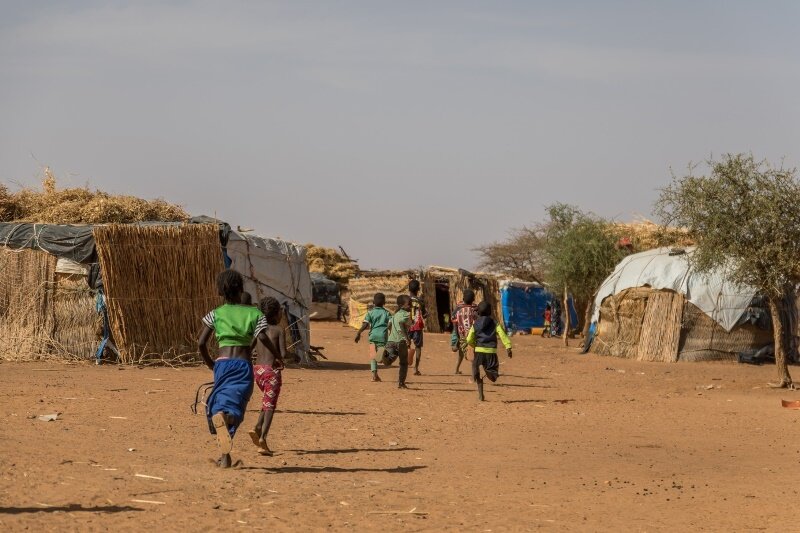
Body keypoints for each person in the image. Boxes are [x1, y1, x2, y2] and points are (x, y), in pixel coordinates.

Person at [198, 270, 275, 468]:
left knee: (221, 403)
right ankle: (225, 421)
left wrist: (211, 365)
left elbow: (200, 343)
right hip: (242, 365)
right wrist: (279, 356)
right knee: (236, 408)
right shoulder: (255, 314)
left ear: (220, 291)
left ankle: (225, 457)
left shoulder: (216, 313)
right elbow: (262, 339)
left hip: (222, 364)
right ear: (241, 289)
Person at [249, 296, 286, 456]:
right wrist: (293, 356)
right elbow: (283, 353)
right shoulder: (279, 330)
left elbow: (249, 348)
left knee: (266, 400)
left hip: (257, 370)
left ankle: (257, 427)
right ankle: (263, 438)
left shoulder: (259, 330)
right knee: (270, 406)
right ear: (277, 313)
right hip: (271, 372)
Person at [466, 301, 512, 401]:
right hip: (491, 352)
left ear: (479, 312)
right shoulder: (495, 323)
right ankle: (488, 373)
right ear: (490, 312)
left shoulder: (476, 324)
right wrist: (508, 346)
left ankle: (480, 394)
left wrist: (473, 344)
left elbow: (469, 338)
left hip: (479, 351)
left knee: (476, 370)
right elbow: (502, 335)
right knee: (493, 375)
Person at [354, 292, 391, 382]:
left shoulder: (370, 313)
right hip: (382, 336)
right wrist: (390, 331)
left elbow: (365, 324)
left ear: (373, 302)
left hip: (372, 336)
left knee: (372, 356)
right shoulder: (387, 313)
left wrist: (359, 332)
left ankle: (374, 375)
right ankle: (381, 356)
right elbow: (390, 324)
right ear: (384, 303)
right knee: (380, 353)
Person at [385, 294, 412, 389]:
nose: (410, 306)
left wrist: (390, 334)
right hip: (401, 341)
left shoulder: (394, 314)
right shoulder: (406, 314)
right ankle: (401, 383)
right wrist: (407, 339)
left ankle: (384, 356)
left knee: (389, 360)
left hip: (391, 340)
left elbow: (389, 326)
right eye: (409, 304)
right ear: (402, 305)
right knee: (403, 363)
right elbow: (401, 324)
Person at [451, 289, 478, 375]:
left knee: (461, 352)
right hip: (471, 335)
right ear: (473, 299)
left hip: (461, 334)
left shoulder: (459, 307)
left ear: (463, 298)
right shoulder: (475, 309)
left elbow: (454, 320)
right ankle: (474, 374)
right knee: (472, 354)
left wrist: (457, 337)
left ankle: (456, 369)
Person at [407, 280, 427, 376]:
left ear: (408, 289)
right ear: (418, 289)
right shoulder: (420, 301)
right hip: (417, 326)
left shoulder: (405, 299)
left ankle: (405, 363)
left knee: (406, 345)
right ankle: (415, 368)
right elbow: (424, 314)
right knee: (418, 347)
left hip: (406, 326)